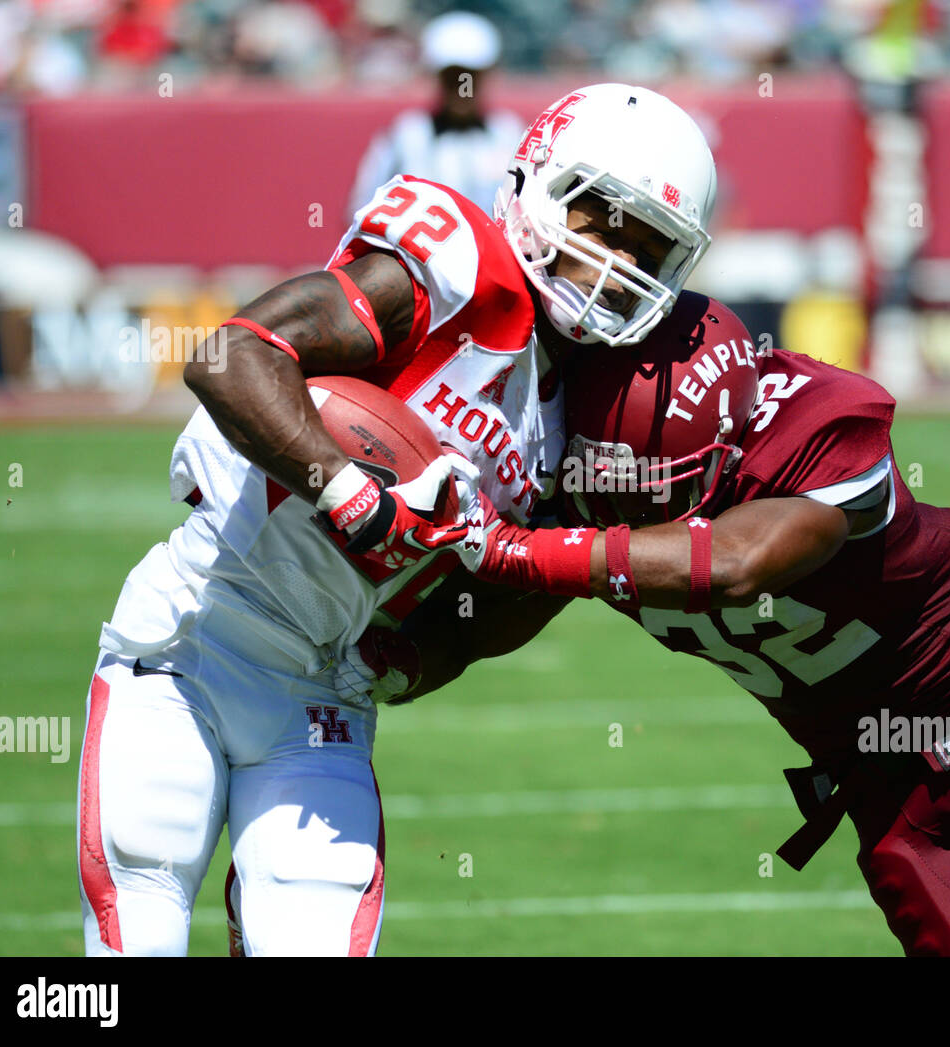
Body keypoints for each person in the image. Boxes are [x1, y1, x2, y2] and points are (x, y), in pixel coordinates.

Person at [77, 82, 717, 955]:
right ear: (539, 184)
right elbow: (230, 357)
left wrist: (418, 660)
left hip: (322, 684)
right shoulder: (459, 273)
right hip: (193, 631)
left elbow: (517, 593)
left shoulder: (593, 415)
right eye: (605, 221)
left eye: (651, 247)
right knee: (137, 929)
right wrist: (349, 489)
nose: (618, 264)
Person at [394, 291, 950, 957]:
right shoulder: (594, 490)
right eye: (617, 489)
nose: (637, 511)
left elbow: (737, 560)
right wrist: (386, 655)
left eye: (665, 489)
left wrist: (516, 548)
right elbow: (484, 616)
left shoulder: (809, 439)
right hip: (879, 776)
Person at [345, 11, 524, 221]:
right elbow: (362, 210)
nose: (461, 87)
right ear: (437, 77)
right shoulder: (408, 134)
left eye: (469, 77)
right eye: (451, 77)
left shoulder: (509, 133)